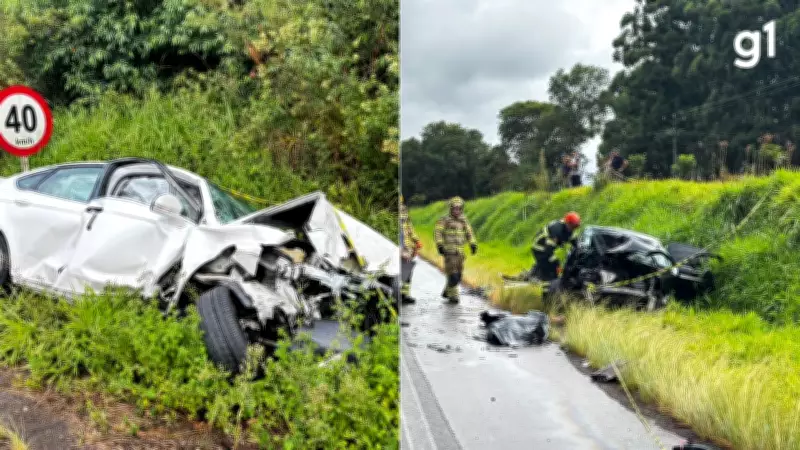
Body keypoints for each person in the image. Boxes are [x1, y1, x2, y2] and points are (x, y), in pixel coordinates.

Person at [434, 196, 477, 303]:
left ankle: (447, 290)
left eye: (459, 209)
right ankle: (454, 296)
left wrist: (472, 244)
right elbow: (437, 232)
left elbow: (469, 233)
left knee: (459, 275)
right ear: (451, 209)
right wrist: (440, 245)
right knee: (453, 274)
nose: (456, 211)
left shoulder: (464, 221)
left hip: (460, 253)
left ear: (461, 209)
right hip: (449, 252)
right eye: (454, 209)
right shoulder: (445, 220)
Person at [528, 212, 581, 286]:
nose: (573, 229)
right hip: (539, 248)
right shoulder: (557, 229)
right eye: (572, 226)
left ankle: (537, 272)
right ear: (567, 223)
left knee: (553, 264)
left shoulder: (570, 231)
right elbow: (548, 250)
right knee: (552, 265)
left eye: (575, 227)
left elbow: (576, 243)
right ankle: (536, 277)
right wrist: (556, 263)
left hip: (548, 249)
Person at [399, 196, 421, 304]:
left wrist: (416, 240)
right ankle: (397, 294)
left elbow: (409, 227)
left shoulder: (403, 210)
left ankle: (404, 294)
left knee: (407, 270)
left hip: (407, 246)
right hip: (398, 246)